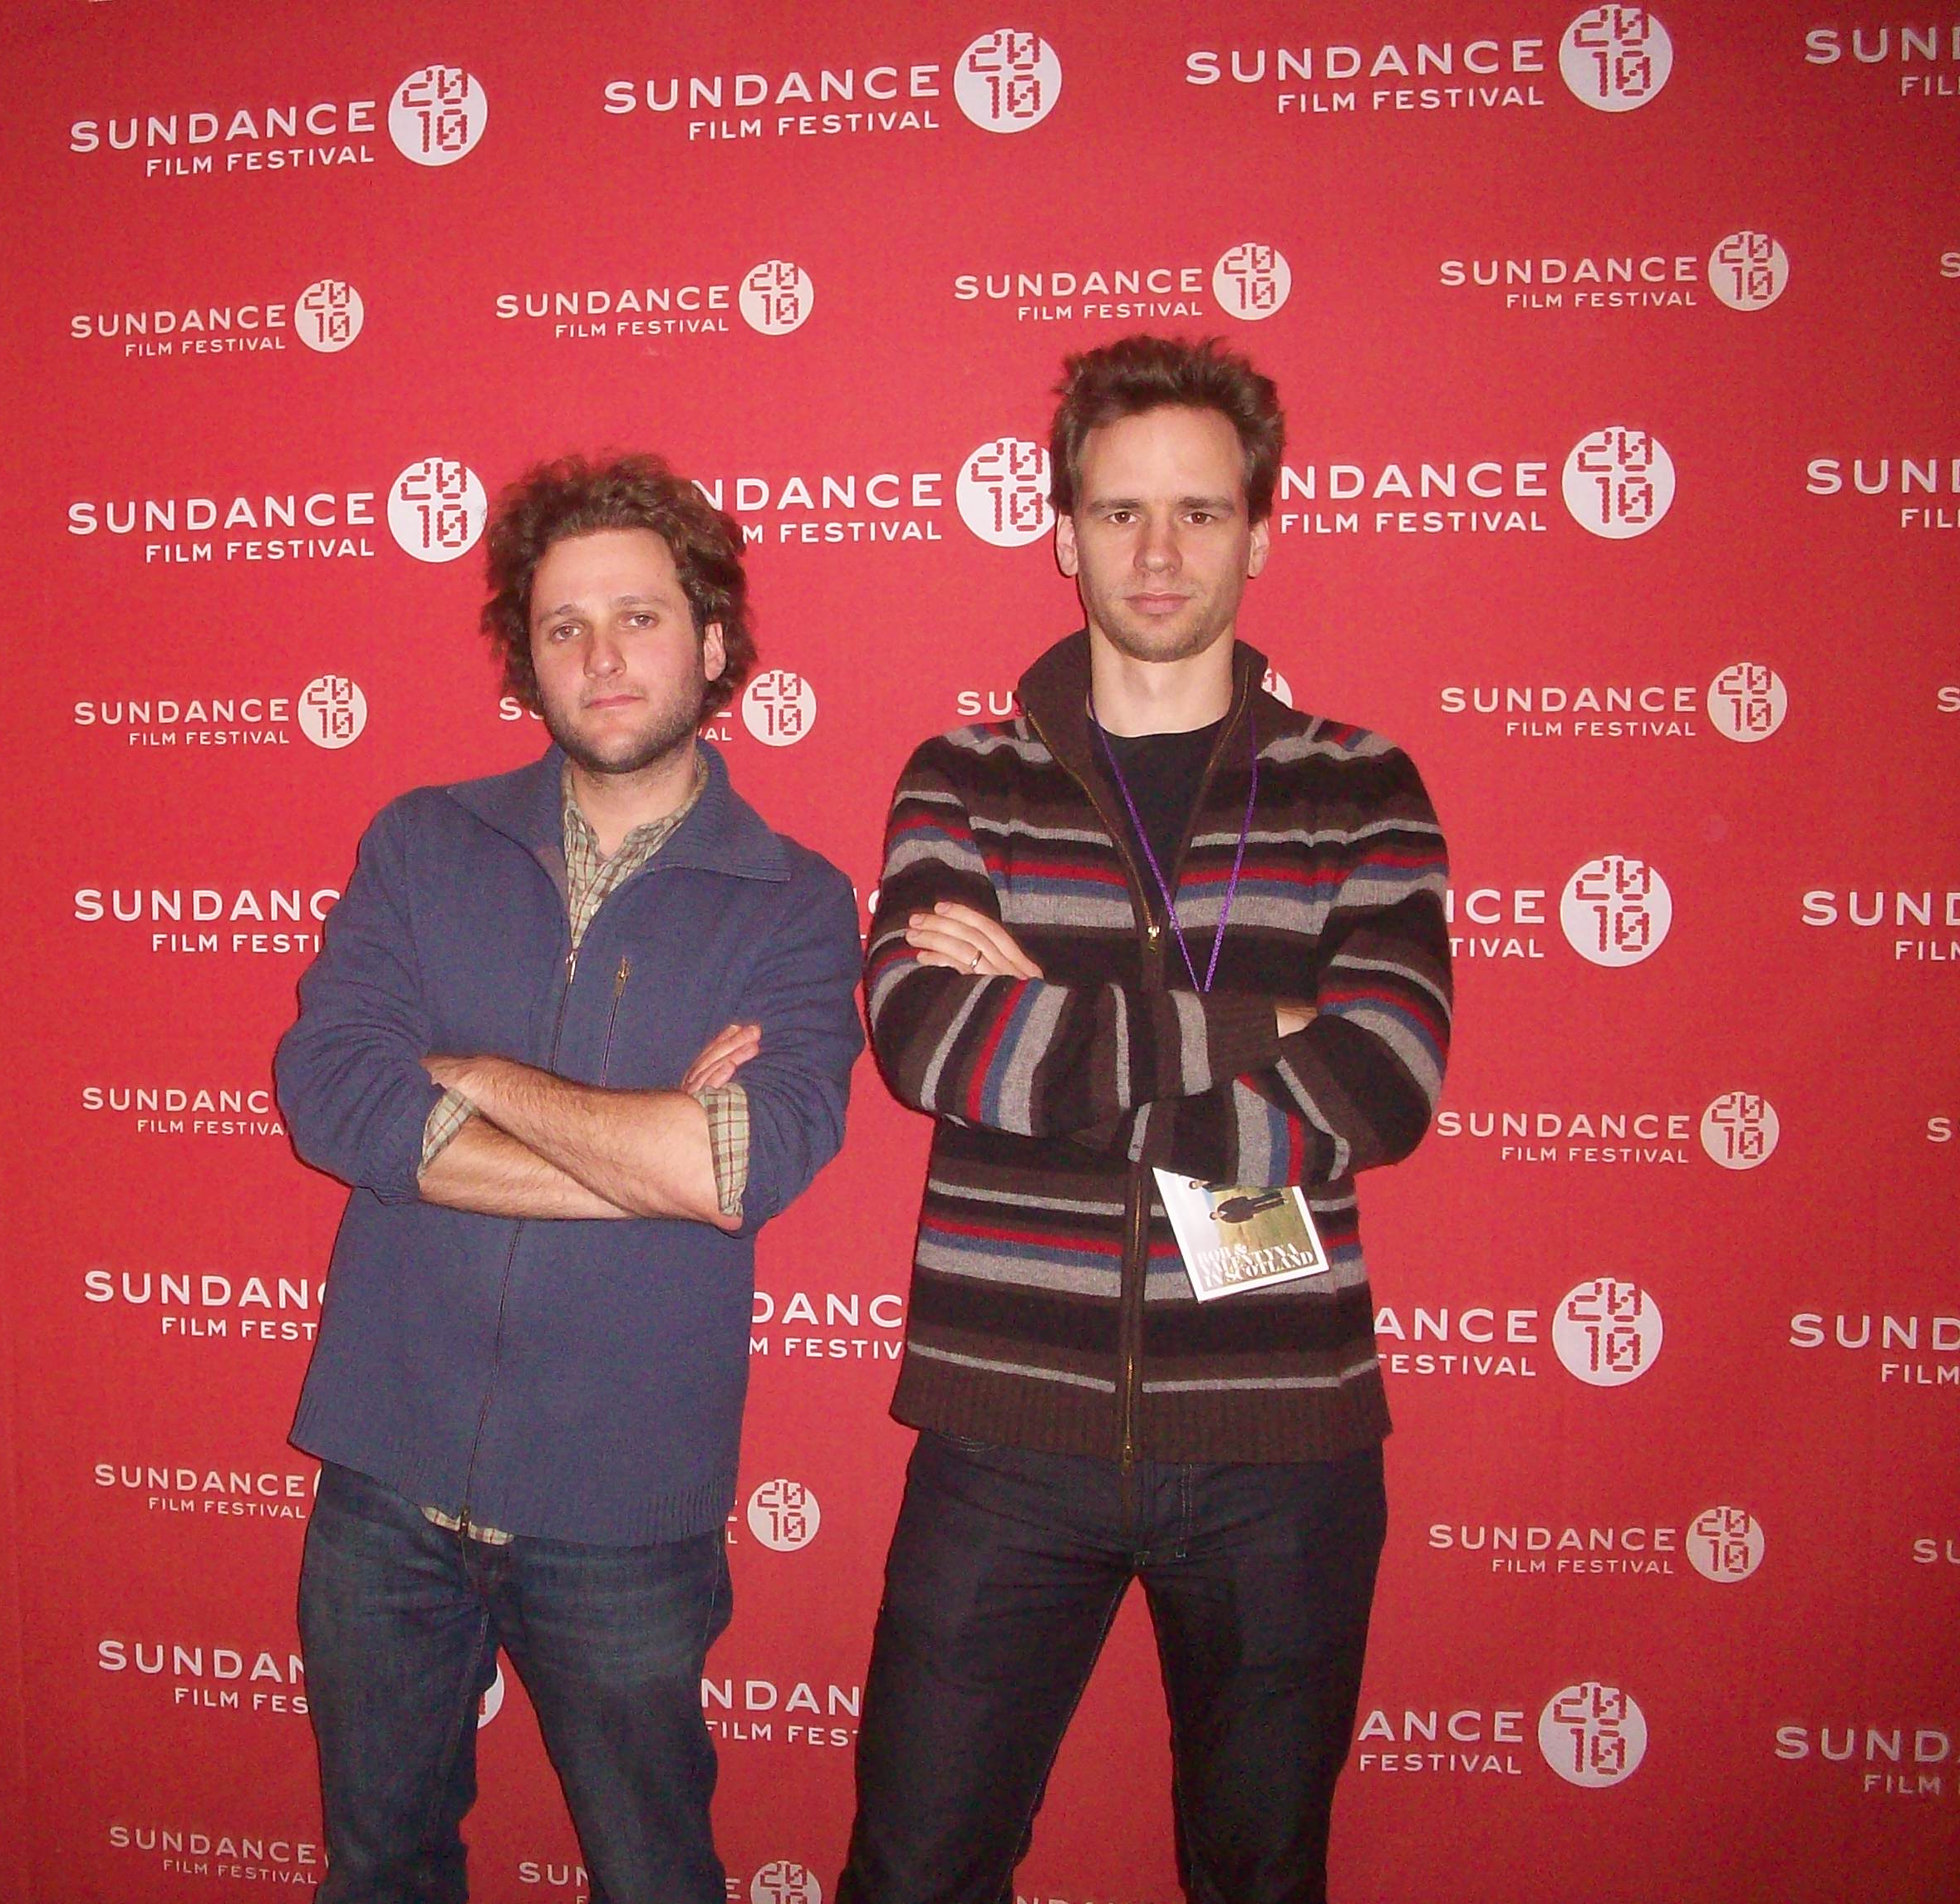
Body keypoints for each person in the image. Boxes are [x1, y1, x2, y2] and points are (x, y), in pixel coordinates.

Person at [838, 336, 1453, 1904]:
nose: (1159, 552)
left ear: (1263, 528)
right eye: (1119, 513)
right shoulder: (959, 778)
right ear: (1061, 535)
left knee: (1262, 1877)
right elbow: (931, 1047)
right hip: (1002, 1432)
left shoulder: (1362, 791)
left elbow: (1382, 1085)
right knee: (913, 1872)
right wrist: (1264, 1029)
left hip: (1282, 1446)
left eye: (1198, 511)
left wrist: (1057, 1019)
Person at [276, 453, 863, 1904]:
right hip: (383, 1477)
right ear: (526, 660)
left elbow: (744, 1161)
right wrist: (647, 1148)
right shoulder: (424, 842)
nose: (603, 657)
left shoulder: (796, 900)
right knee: (379, 1869)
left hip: (625, 1509)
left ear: (713, 643)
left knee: (656, 1875)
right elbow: (338, 1101)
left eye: (642, 618)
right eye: (563, 626)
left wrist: (477, 1076)